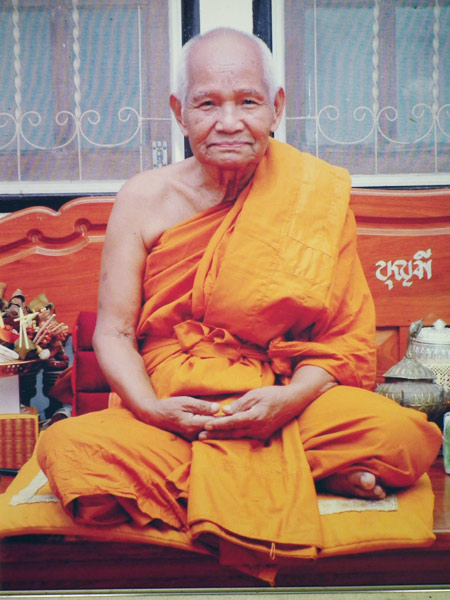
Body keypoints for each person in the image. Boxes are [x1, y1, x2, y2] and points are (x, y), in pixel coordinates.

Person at [37, 27, 441, 572]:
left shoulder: (313, 193)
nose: (228, 122)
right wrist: (153, 410)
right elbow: (114, 332)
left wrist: (286, 402)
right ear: (180, 113)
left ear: (276, 108)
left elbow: (342, 341)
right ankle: (308, 474)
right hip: (175, 405)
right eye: (208, 104)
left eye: (248, 102)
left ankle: (219, 481)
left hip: (282, 398)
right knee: (66, 449)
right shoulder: (143, 198)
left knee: (403, 437)